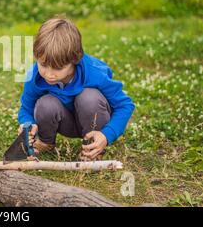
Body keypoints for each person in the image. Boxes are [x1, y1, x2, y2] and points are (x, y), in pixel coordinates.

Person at [17, 17, 135, 160]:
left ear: (74, 59)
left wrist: (106, 135)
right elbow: (26, 108)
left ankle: (92, 148)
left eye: (58, 68)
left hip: (94, 119)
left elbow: (125, 106)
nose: (48, 74)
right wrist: (27, 125)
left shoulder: (94, 73)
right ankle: (46, 142)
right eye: (43, 65)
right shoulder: (34, 75)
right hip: (66, 122)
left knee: (89, 97)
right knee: (45, 103)